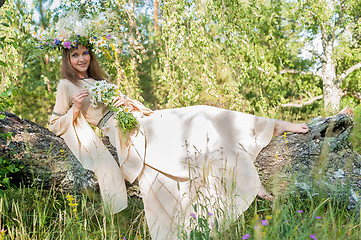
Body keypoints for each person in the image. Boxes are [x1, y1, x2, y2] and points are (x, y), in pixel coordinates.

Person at [49, 44, 309, 239]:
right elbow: (56, 123)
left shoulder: (99, 80)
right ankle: (249, 180)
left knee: (202, 113)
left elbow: (132, 103)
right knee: (191, 130)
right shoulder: (65, 85)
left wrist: (126, 101)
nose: (81, 58)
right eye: (75, 54)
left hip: (138, 116)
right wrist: (76, 108)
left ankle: (272, 126)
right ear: (67, 58)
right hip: (120, 129)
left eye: (85, 53)